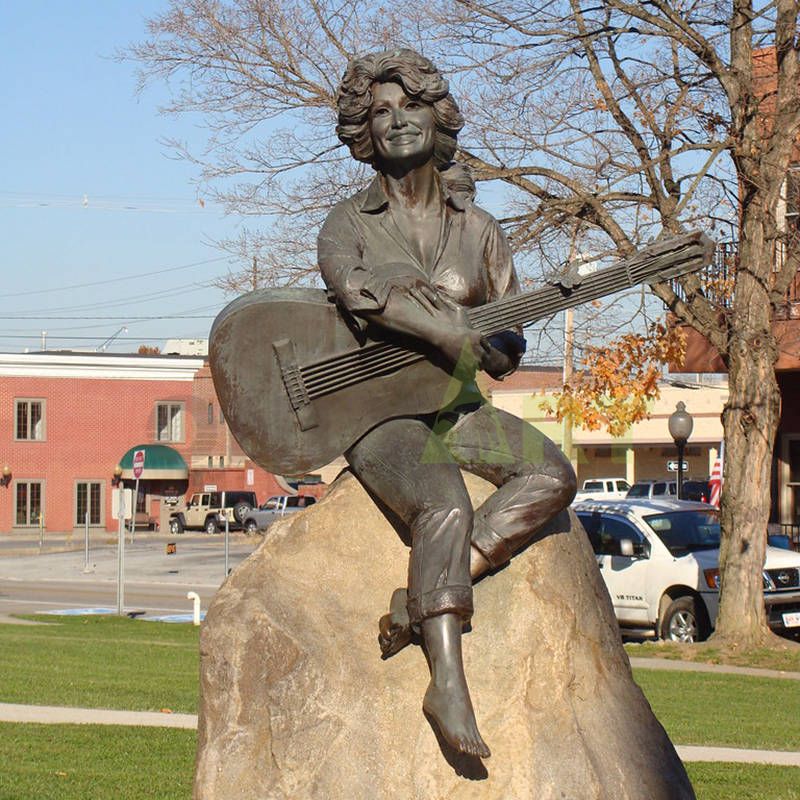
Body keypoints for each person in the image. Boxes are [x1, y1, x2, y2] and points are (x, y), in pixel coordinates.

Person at [317, 48, 576, 759]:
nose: (398, 121)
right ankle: (447, 680)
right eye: (381, 112)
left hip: (455, 404)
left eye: (412, 107)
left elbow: (510, 324)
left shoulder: (480, 229)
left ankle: (421, 596)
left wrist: (499, 349)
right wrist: (440, 326)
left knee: (552, 476)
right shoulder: (349, 222)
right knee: (445, 501)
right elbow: (356, 290)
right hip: (376, 413)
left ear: (439, 119)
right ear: (364, 132)